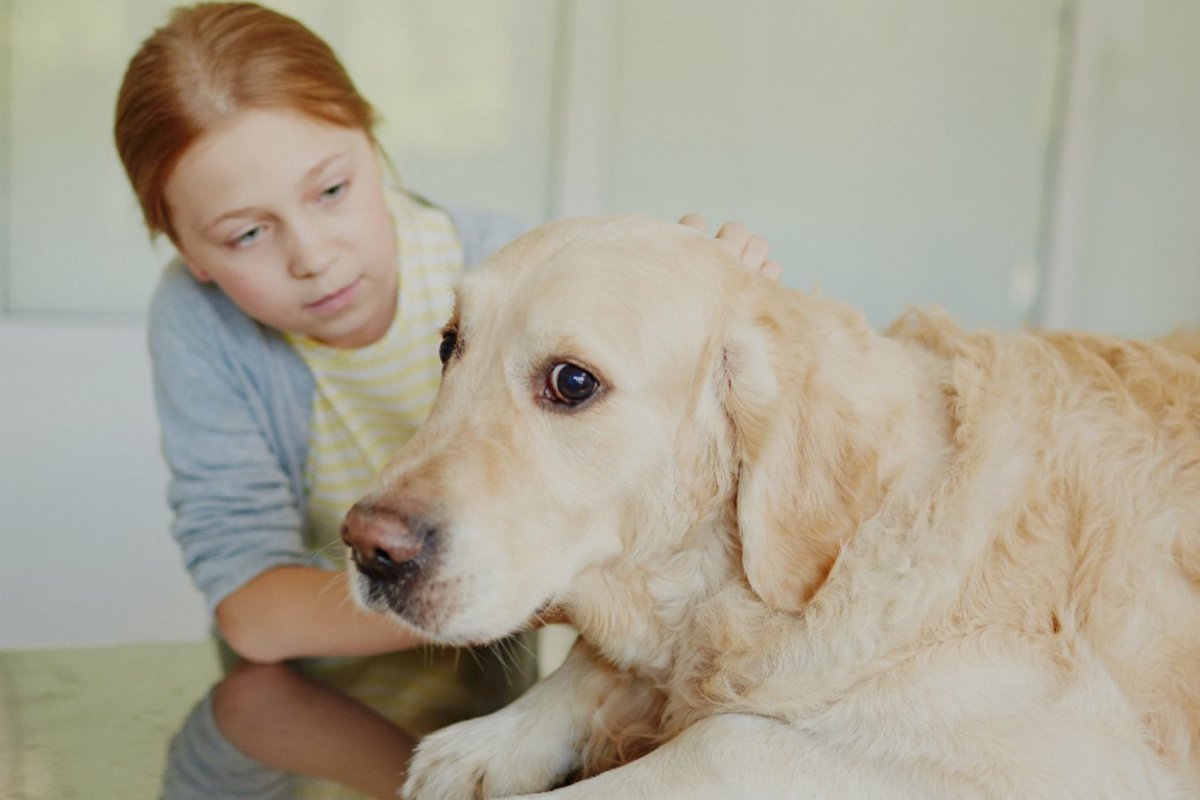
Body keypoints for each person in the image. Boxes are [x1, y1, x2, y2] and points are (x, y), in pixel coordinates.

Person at [113, 3, 780, 798]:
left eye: (332, 188)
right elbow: (252, 616)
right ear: (190, 257)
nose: (314, 256)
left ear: (374, 144)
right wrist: (518, 587)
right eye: (245, 235)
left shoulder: (507, 269)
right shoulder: (201, 326)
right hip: (297, 705)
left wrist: (703, 306)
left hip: (491, 680)